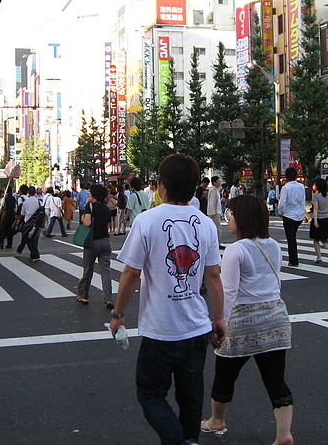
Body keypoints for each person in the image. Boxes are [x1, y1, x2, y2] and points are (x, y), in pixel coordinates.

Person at [109, 154, 226, 445]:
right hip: (197, 328)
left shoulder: (148, 221)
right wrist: (219, 318)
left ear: (162, 185)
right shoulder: (205, 224)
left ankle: (177, 441)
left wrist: (118, 314)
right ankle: (188, 440)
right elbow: (213, 276)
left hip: (160, 330)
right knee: (190, 399)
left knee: (150, 394)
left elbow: (131, 273)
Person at [201, 195, 293, 445]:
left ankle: (216, 420)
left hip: (243, 320)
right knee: (275, 379)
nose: (228, 218)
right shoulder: (273, 245)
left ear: (243, 219)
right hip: (275, 318)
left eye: (231, 214)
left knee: (225, 374)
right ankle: (283, 434)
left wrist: (221, 321)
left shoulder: (236, 249)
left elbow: (228, 291)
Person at [76, 184, 113, 307]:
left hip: (92, 242)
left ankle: (84, 296)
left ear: (94, 195)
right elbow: (107, 224)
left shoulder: (89, 206)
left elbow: (87, 223)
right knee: (106, 271)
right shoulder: (106, 208)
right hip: (105, 241)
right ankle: (108, 299)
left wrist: (82, 216)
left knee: (88, 270)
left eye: (90, 194)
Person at [278, 167, 305, 267]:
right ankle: (294, 259)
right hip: (298, 215)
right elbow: (303, 201)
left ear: (286, 176)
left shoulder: (286, 187)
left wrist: (281, 212)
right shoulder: (301, 186)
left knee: (291, 238)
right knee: (292, 237)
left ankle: (293, 260)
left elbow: (282, 203)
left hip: (289, 215)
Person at [310, 177, 328, 264]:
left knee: (316, 239)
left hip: (319, 219)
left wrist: (315, 220)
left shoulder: (315, 196)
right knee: (325, 239)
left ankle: (319, 256)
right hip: (326, 218)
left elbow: (316, 208)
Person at [16, 186, 41, 262]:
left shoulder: (25, 202)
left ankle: (35, 255)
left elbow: (22, 213)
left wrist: (17, 219)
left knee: (28, 239)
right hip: (37, 223)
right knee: (34, 239)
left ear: (28, 192)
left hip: (28, 223)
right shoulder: (39, 201)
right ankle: (32, 254)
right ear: (35, 192)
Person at [206, 176, 223, 245]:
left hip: (217, 211)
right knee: (217, 228)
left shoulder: (216, 190)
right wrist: (212, 212)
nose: (220, 182)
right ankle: (217, 243)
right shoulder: (213, 190)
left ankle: (218, 243)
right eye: (218, 181)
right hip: (215, 212)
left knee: (218, 228)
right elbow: (212, 202)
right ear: (214, 182)